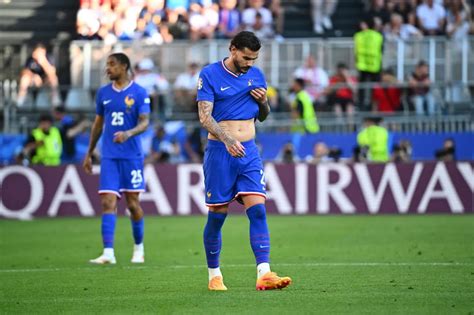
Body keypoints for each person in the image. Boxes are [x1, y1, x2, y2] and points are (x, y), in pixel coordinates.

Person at [196, 31, 291, 291]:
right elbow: (204, 118)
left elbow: (263, 116)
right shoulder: (210, 74)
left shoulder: (257, 75)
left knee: (258, 209)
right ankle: (214, 275)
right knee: (217, 215)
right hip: (220, 152)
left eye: (254, 59)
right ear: (233, 49)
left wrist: (264, 103)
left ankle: (264, 272)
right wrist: (227, 140)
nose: (250, 63)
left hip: (249, 151)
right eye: (246, 57)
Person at [83, 53, 151, 265]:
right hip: (109, 156)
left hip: (131, 156)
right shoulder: (103, 93)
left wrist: (128, 133)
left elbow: (145, 122)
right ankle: (108, 253)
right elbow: (98, 125)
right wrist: (89, 152)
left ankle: (139, 248)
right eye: (107, 65)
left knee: (132, 205)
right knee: (107, 202)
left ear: (124, 67)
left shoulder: (139, 92)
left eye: (112, 64)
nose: (108, 69)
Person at [354, 18, 384, 110]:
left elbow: (356, 50)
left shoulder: (358, 36)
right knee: (374, 88)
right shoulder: (379, 36)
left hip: (362, 65)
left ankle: (361, 106)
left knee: (362, 88)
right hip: (375, 65)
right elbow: (382, 50)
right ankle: (374, 107)